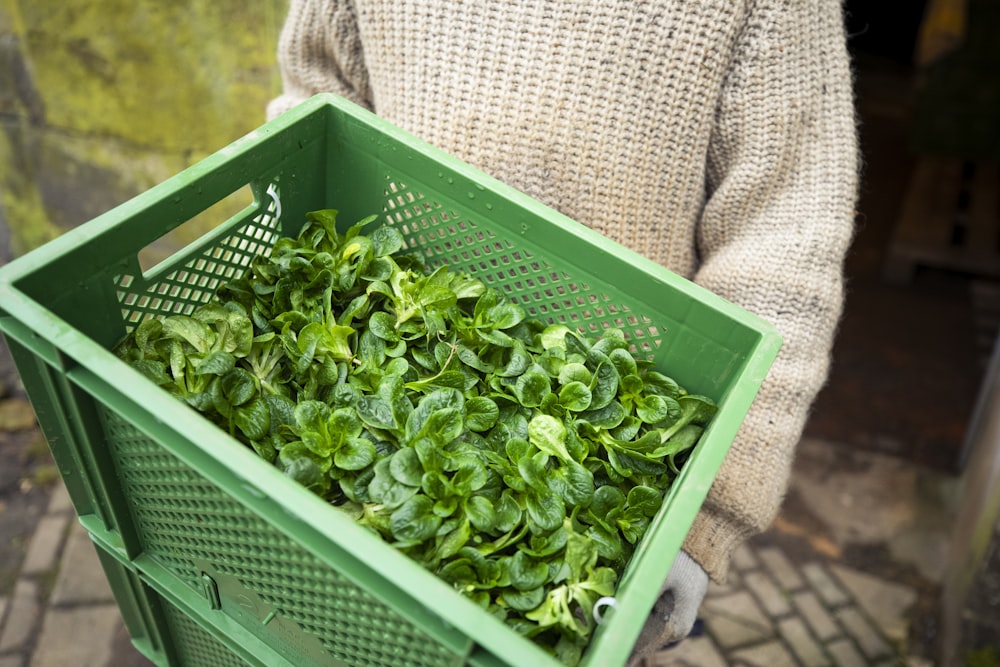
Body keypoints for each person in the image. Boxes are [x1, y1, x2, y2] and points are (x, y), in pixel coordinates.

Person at [267, 1, 859, 663]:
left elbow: (784, 248)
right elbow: (319, 95)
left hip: (615, 424)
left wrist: (704, 522)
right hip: (392, 331)